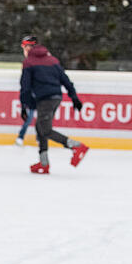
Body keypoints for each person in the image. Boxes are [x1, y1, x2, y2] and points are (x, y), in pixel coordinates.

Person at [19, 35, 89, 174]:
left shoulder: (29, 62)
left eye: (24, 47)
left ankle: (76, 146)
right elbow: (66, 80)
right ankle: (44, 163)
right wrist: (74, 98)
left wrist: (24, 105)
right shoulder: (52, 60)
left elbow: (25, 87)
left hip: (45, 99)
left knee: (45, 130)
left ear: (28, 47)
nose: (23, 50)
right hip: (55, 97)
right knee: (40, 127)